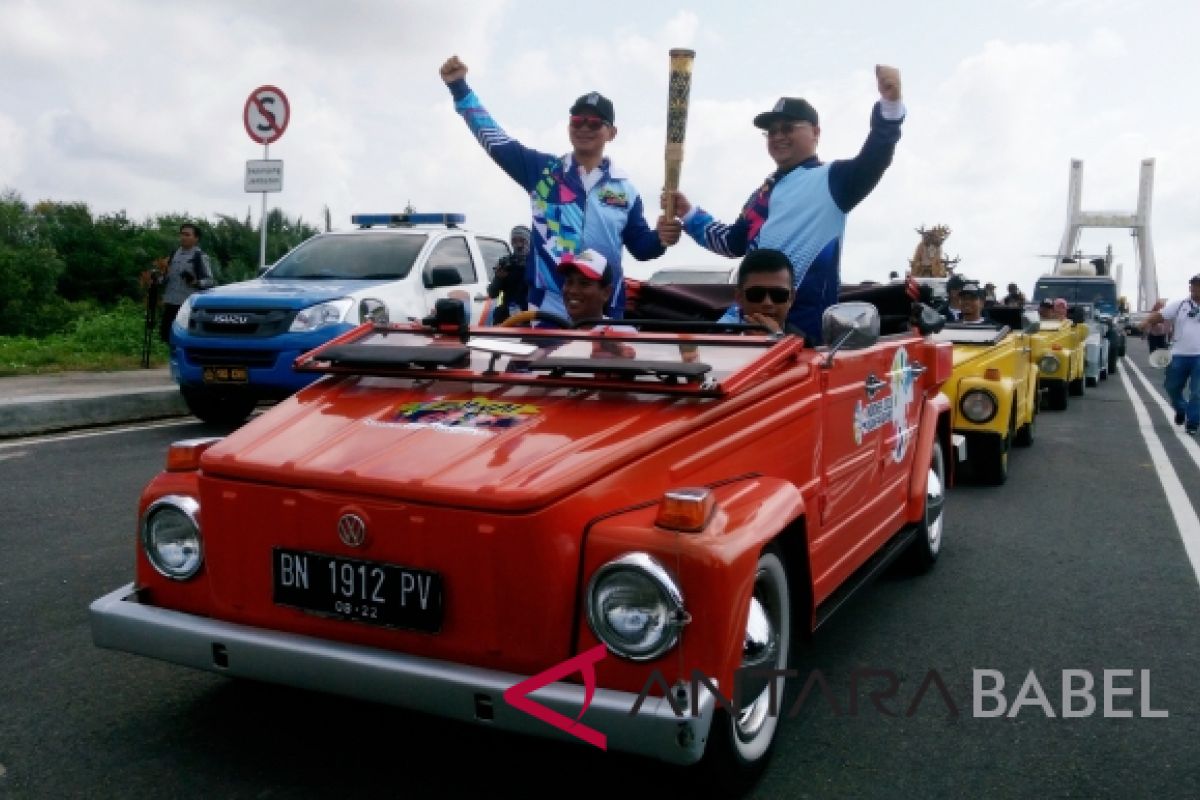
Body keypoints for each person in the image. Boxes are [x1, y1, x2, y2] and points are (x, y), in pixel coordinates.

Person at [657, 66, 905, 344]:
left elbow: (876, 156)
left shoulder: (834, 180)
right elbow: (732, 243)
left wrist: (890, 107)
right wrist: (688, 213)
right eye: (771, 132)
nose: (777, 137)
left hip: (800, 338)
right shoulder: (764, 191)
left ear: (816, 132)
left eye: (788, 128)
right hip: (743, 324)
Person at [439, 55, 667, 321]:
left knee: (600, 365)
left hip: (604, 308)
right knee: (543, 364)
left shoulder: (625, 189)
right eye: (577, 121)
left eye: (594, 123)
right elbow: (496, 140)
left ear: (611, 133)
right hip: (550, 306)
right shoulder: (543, 172)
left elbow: (642, 249)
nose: (584, 127)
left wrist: (662, 238)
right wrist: (460, 90)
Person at [1141, 275, 1200, 433]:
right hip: (1179, 354)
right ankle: (1181, 409)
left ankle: (1193, 422)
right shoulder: (1180, 305)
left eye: (1197, 285)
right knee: (1171, 387)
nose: (1193, 288)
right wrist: (1147, 321)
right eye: (1192, 285)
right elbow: (1160, 315)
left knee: (1197, 391)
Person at [716, 248, 804, 336]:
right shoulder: (715, 343)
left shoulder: (808, 345)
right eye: (756, 294)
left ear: (791, 298)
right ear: (739, 297)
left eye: (778, 294)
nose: (767, 303)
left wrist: (778, 339)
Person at [159, 223, 214, 343]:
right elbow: (165, 278)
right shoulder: (173, 255)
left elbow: (210, 281)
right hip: (170, 302)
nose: (183, 237)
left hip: (187, 305)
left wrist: (196, 282)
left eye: (187, 235)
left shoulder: (200, 256)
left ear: (196, 238)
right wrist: (158, 277)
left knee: (183, 338)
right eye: (182, 234)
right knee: (165, 336)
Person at [487, 225, 531, 324]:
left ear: (529, 241)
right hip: (508, 317)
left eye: (522, 240)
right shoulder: (506, 262)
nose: (518, 245)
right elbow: (492, 294)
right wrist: (498, 279)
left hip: (530, 317)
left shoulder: (536, 264)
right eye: (514, 241)